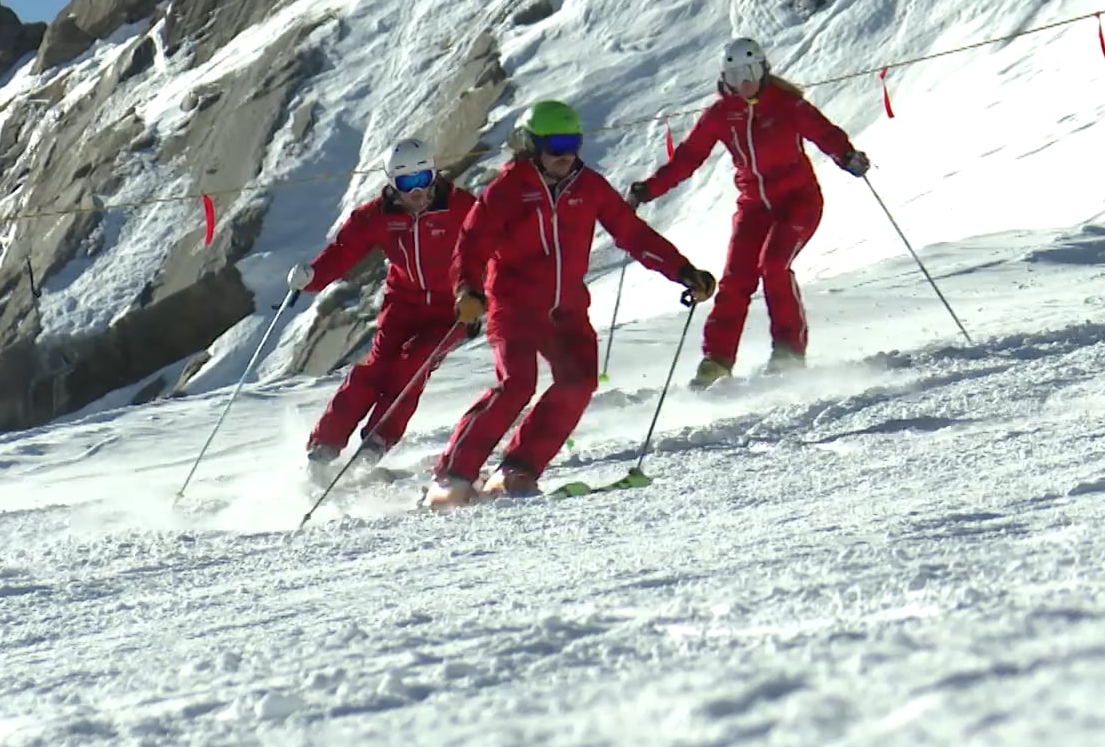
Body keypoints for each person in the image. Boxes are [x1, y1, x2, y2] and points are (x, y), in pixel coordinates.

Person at [423, 100, 717, 508]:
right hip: (515, 304)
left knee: (579, 381)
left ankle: (517, 468)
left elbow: (633, 233)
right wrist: (466, 291)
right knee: (517, 383)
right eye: (555, 144)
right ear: (530, 146)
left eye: (573, 143)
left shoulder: (588, 186)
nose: (566, 155)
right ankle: (451, 475)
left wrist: (684, 272)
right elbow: (471, 245)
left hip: (566, 308)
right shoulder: (508, 191)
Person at [628, 37, 869, 389]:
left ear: (764, 70)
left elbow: (824, 133)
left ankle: (789, 352)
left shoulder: (787, 105)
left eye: (752, 71)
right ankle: (716, 361)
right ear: (725, 78)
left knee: (773, 265)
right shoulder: (721, 115)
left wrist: (847, 157)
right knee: (736, 278)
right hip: (754, 207)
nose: (746, 81)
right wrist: (649, 189)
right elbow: (688, 157)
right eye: (736, 74)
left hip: (798, 202)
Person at [285, 138, 475, 476]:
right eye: (406, 183)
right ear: (392, 183)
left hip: (452, 308)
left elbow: (491, 243)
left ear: (434, 174)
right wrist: (311, 277)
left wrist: (483, 293)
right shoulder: (377, 216)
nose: (417, 191)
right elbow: (343, 251)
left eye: (423, 179)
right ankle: (323, 447)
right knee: (374, 369)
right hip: (403, 303)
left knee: (413, 364)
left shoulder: (461, 207)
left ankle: (376, 442)